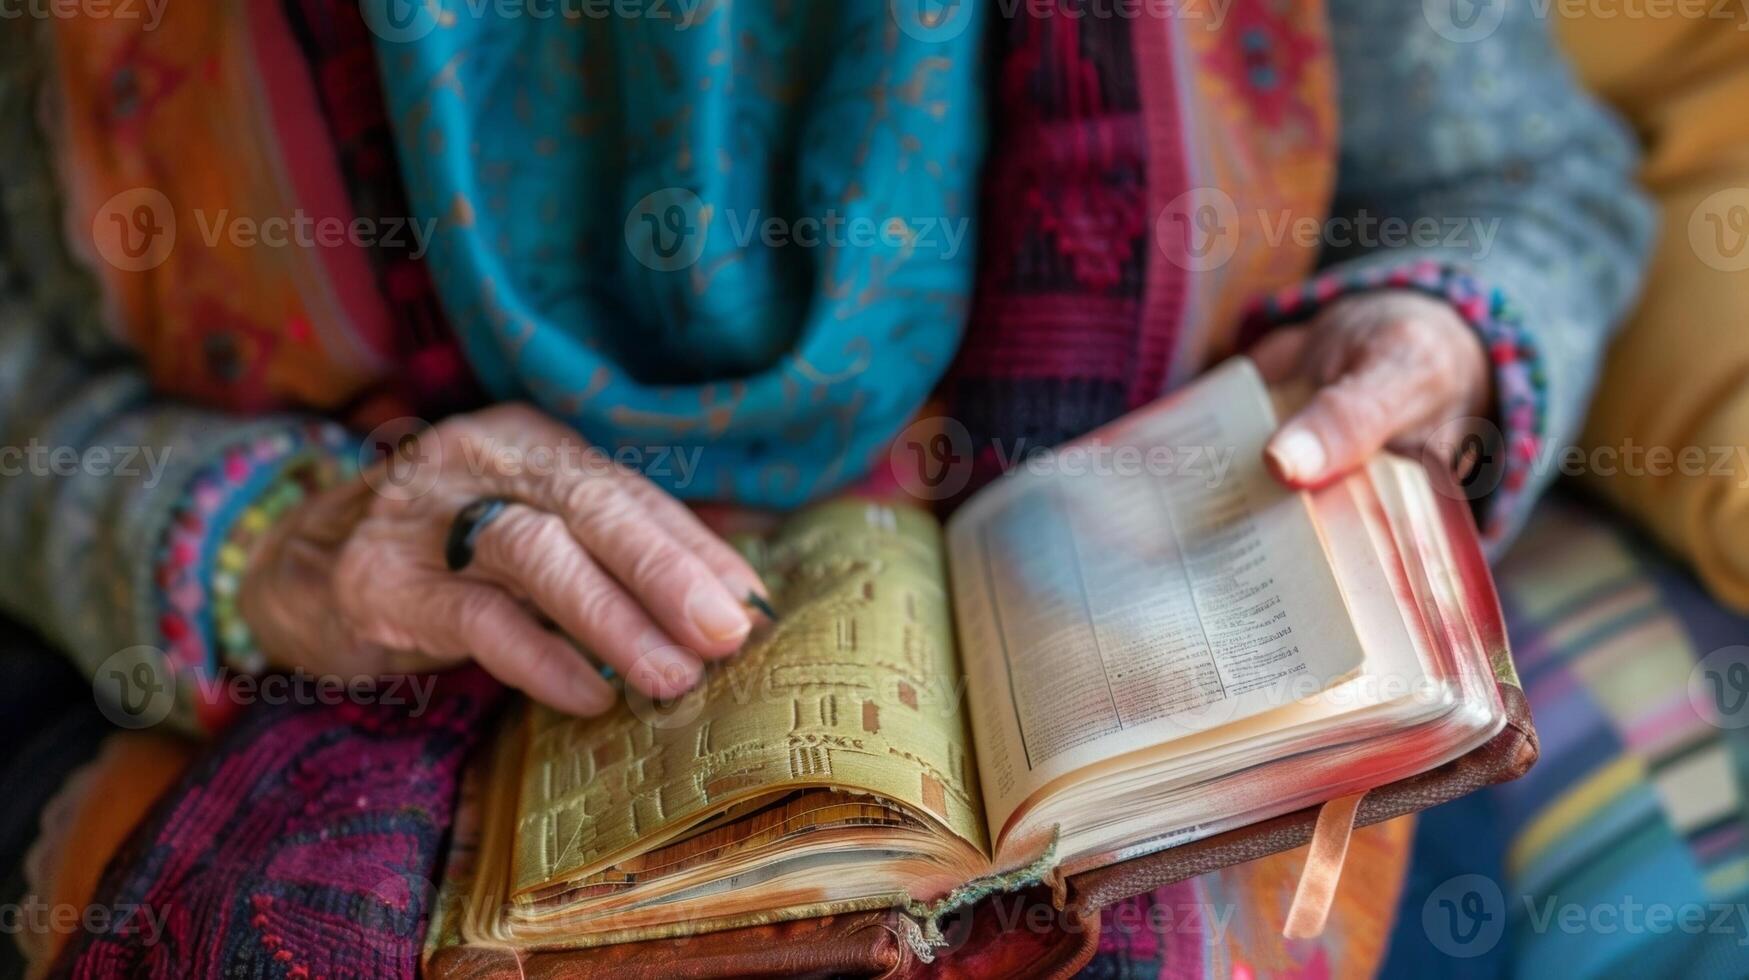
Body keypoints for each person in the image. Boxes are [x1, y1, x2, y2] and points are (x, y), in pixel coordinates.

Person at [5, 0, 1650, 976]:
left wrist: (1438, 330)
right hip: (344, 662)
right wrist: (265, 543)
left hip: (1176, 711)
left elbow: (1522, 187)